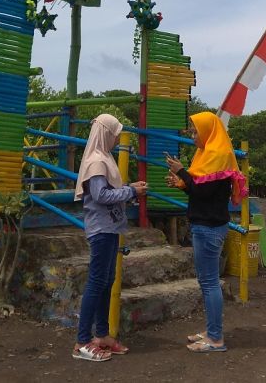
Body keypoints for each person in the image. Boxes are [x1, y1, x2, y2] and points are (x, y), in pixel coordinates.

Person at [165, 111, 247, 353]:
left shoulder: (217, 155)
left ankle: (215, 338)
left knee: (210, 282)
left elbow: (203, 192)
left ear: (207, 130)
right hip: (205, 223)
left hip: (209, 227)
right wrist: (182, 183)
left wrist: (182, 172)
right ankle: (212, 330)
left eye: (194, 130)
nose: (192, 135)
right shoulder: (206, 154)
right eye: (191, 130)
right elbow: (199, 189)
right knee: (206, 281)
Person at [72, 114, 147, 362]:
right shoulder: (97, 162)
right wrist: (130, 191)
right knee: (97, 282)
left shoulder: (104, 159)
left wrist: (129, 188)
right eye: (115, 133)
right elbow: (101, 195)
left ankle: (101, 335)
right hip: (101, 229)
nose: (117, 138)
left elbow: (108, 191)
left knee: (107, 280)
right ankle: (82, 341)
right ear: (106, 133)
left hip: (110, 227)